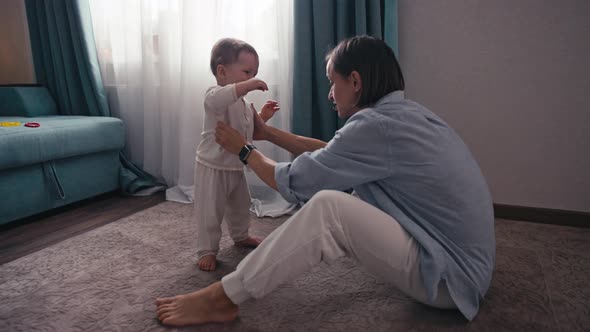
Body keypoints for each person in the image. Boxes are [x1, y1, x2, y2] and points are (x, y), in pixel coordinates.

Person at [156, 35, 495, 326]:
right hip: (469, 267)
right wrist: (268, 134)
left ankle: (224, 297)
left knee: (329, 208)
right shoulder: (403, 116)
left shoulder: (376, 127)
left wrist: (243, 149)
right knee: (342, 197)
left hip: (452, 280)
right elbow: (334, 154)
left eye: (334, 82)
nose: (331, 94)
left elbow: (294, 181)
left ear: (356, 82)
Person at [193, 38, 280, 271]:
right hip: (212, 166)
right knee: (210, 212)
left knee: (241, 204)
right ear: (222, 72)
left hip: (235, 165)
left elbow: (249, 128)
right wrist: (248, 85)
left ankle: (240, 235)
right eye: (247, 72)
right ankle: (207, 249)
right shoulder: (214, 95)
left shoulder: (243, 104)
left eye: (254, 74)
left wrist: (263, 114)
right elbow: (221, 99)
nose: (251, 79)